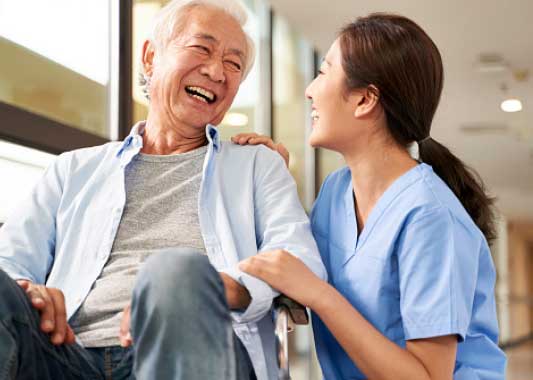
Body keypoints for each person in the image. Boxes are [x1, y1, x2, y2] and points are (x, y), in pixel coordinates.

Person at [0, 1, 326, 379]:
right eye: (202, 48)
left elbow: (298, 257)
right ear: (151, 56)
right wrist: (28, 288)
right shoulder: (73, 169)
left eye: (234, 64)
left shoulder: (256, 165)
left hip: (194, 350)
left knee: (175, 271)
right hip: (66, 355)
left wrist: (226, 287)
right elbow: (10, 259)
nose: (217, 71)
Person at [235, 13, 506, 380]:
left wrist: (320, 295)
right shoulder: (334, 192)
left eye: (323, 71)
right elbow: (293, 268)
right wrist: (270, 183)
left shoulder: (430, 216)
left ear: (364, 99)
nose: (309, 90)